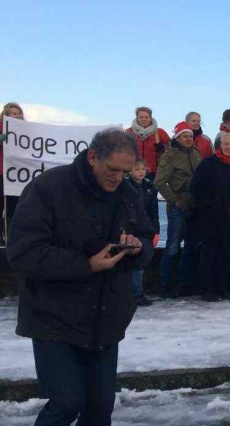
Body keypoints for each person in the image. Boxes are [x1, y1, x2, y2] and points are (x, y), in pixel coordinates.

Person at [9, 128, 153, 426]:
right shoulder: (49, 187)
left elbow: (144, 238)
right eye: (112, 169)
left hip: (105, 317)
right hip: (54, 315)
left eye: (125, 172)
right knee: (65, 402)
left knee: (100, 408)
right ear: (92, 157)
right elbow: (23, 252)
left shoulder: (127, 194)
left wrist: (138, 249)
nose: (118, 178)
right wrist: (86, 265)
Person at [191, 132, 230, 302]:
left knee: (226, 253)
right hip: (211, 216)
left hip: (229, 216)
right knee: (209, 253)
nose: (228, 147)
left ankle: (223, 287)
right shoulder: (209, 163)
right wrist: (209, 204)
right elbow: (196, 187)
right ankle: (207, 289)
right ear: (220, 144)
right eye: (226, 143)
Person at [154, 121, 202, 298]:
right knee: (173, 245)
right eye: (185, 136)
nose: (188, 138)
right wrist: (175, 200)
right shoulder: (170, 156)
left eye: (190, 136)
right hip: (178, 206)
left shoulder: (197, 154)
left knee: (191, 245)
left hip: (195, 205)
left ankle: (185, 283)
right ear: (178, 137)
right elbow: (159, 182)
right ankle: (166, 284)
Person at [126, 159, 159, 307]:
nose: (140, 172)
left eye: (142, 169)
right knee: (131, 264)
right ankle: (133, 293)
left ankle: (137, 293)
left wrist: (156, 231)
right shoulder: (125, 186)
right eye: (137, 169)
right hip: (131, 229)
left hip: (146, 230)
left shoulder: (150, 187)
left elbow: (154, 211)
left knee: (141, 262)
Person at [2, 102, 25, 243]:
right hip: (2, 173)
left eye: (19, 113)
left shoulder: (28, 131)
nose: (17, 116)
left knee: (15, 207)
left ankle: (12, 237)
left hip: (18, 176)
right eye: (14, 113)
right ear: (6, 115)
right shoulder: (2, 129)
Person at [125, 106, 170, 179]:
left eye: (146, 117)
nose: (144, 119)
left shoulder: (160, 132)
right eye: (141, 117)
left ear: (150, 118)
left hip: (154, 172)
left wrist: (163, 149)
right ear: (137, 118)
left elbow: (171, 150)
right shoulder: (129, 132)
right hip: (133, 171)